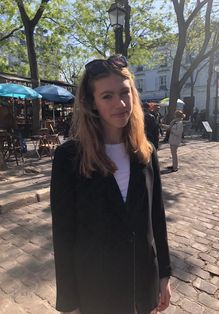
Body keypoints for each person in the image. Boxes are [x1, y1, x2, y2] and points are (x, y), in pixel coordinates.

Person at [50, 55, 172, 314]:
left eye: (125, 92)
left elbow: (156, 218)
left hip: (142, 285)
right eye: (107, 96)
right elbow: (63, 234)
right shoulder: (69, 158)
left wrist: (164, 275)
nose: (120, 103)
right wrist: (69, 303)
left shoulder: (146, 152)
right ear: (91, 103)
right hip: (97, 290)